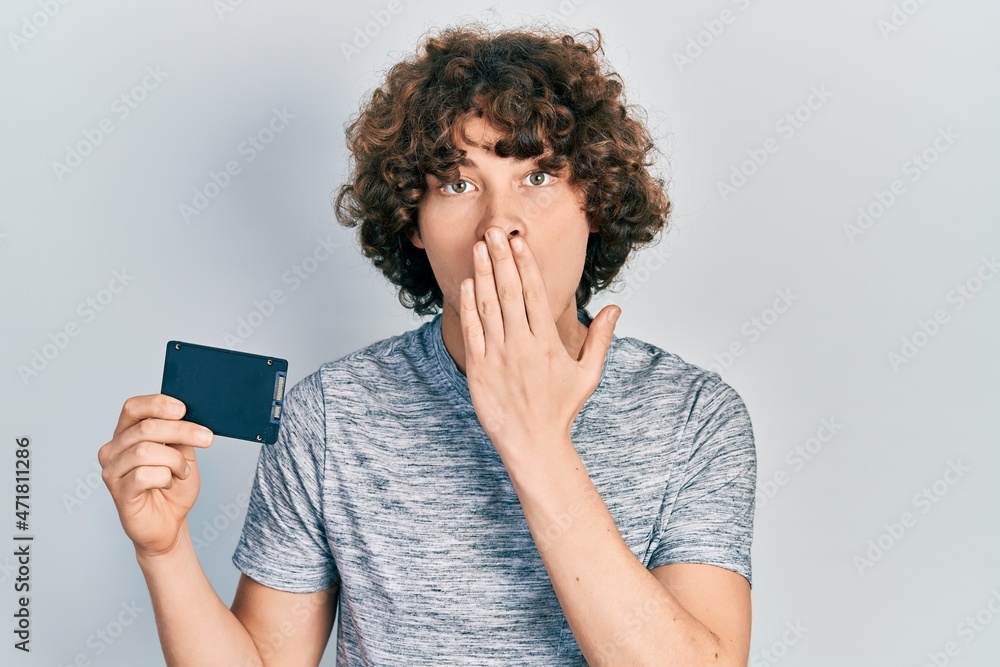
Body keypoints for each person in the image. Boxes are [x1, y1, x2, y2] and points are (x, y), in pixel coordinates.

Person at [99, 21, 756, 666]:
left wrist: (536, 441)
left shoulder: (695, 416)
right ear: (413, 220)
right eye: (459, 184)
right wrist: (163, 551)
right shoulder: (331, 415)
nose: (501, 226)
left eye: (538, 176)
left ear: (595, 199)